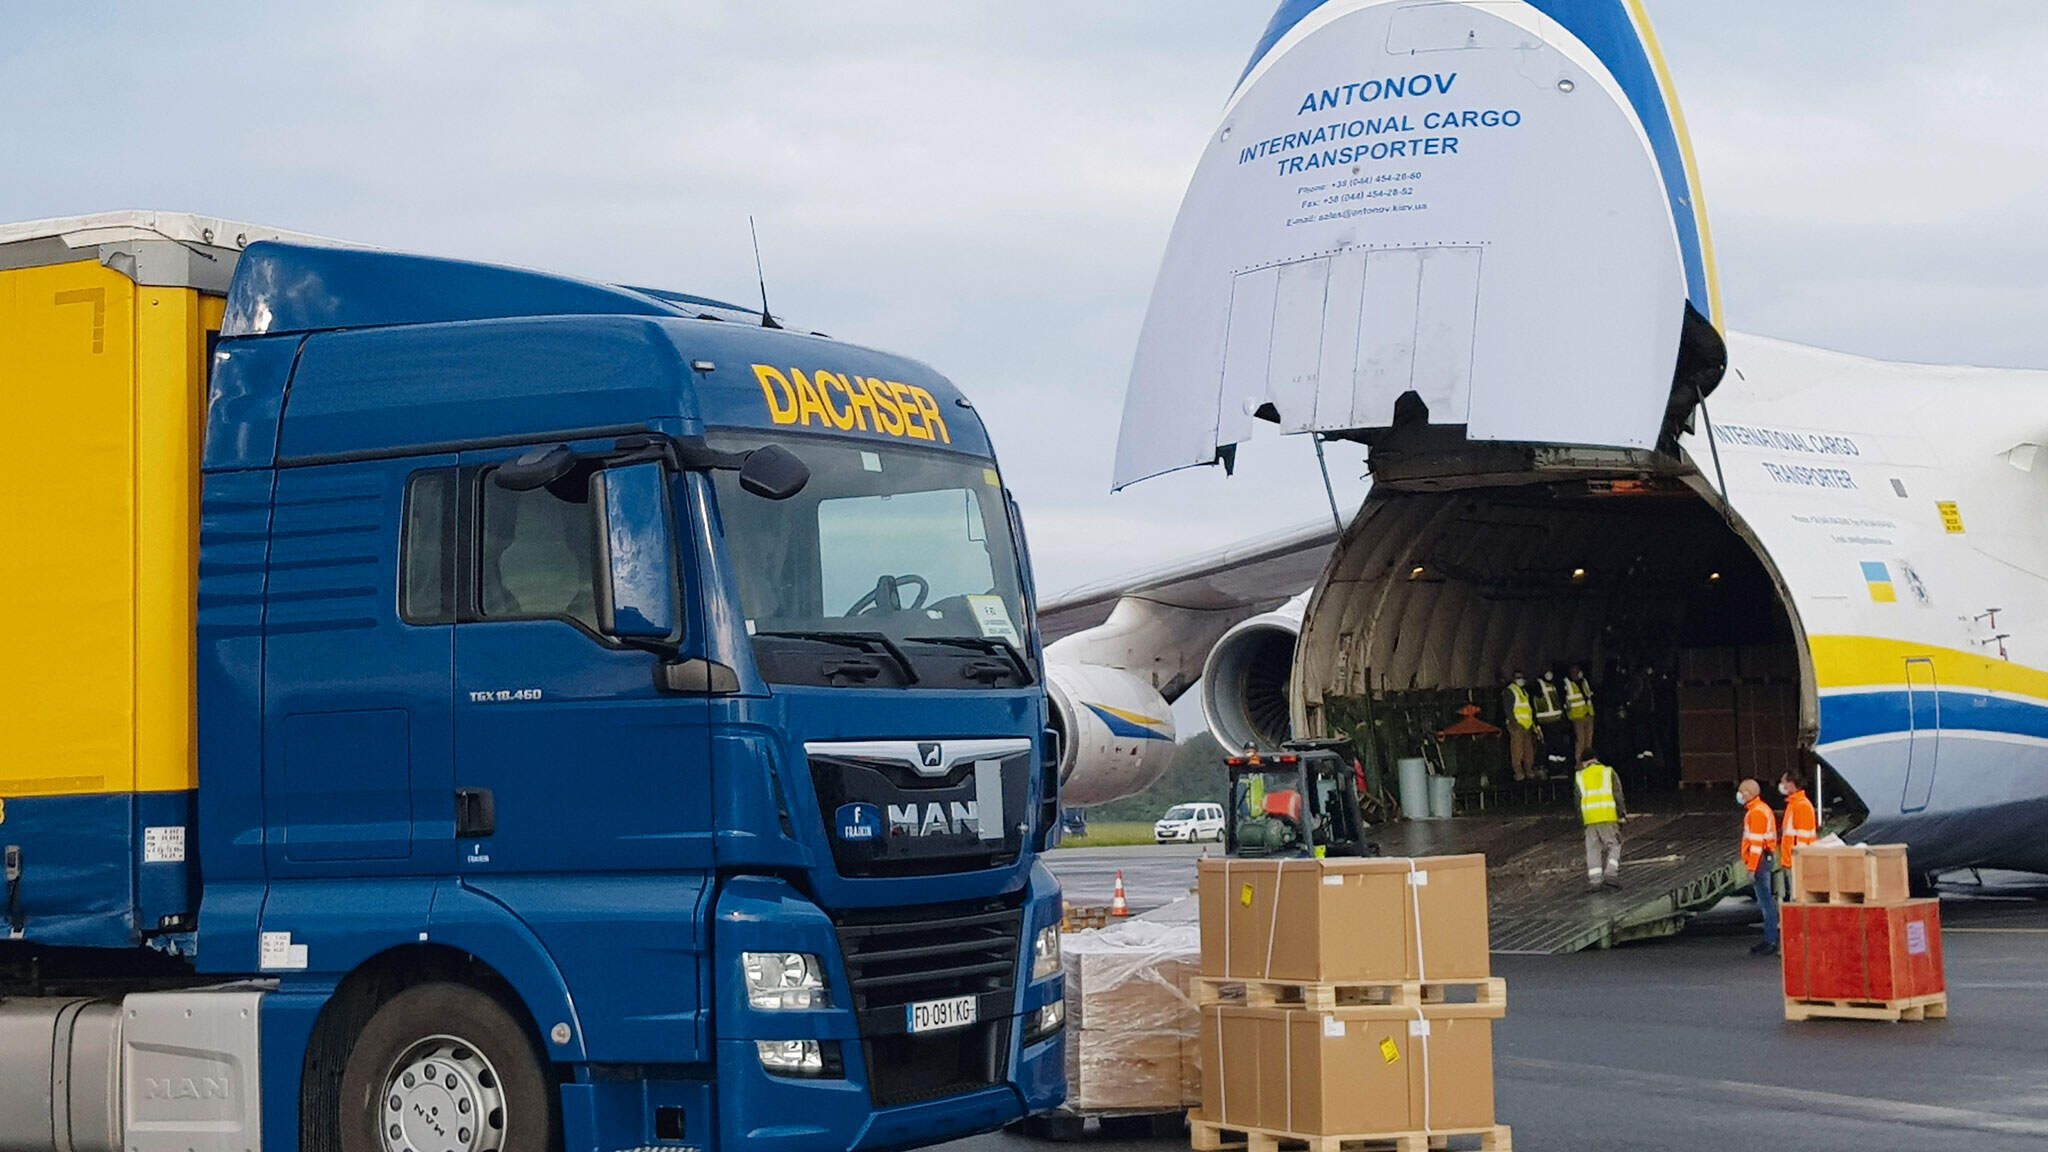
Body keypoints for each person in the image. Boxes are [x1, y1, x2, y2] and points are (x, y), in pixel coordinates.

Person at [1737, 778, 1780, 956]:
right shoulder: (1760, 809)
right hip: (1764, 858)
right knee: (1765, 901)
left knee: (1765, 902)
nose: (1739, 794)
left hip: (1760, 860)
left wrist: (1752, 868)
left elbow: (1755, 845)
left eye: (1741, 791)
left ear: (1748, 793)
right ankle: (1769, 938)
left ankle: (1771, 940)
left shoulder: (1755, 813)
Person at [1574, 752, 1625, 891]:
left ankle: (1595, 880)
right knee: (1614, 845)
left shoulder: (1580, 776)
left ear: (1584, 762)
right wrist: (1621, 815)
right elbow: (1618, 794)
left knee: (1592, 849)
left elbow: (1577, 801)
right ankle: (1611, 873)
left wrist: (1581, 821)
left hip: (1589, 819)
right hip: (1607, 816)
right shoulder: (1608, 772)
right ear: (1596, 759)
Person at [1778, 768, 1819, 894]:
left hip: (1796, 863)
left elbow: (1802, 838)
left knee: (1798, 896)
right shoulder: (1793, 804)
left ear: (1791, 783)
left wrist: (1796, 860)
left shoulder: (1801, 805)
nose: (1782, 786)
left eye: (1783, 782)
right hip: (1790, 861)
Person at [1503, 671, 1537, 781]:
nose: (1521, 679)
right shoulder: (1510, 690)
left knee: (1528, 749)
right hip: (1517, 725)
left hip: (1526, 725)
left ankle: (1528, 770)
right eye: (1518, 677)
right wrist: (1514, 723)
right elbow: (1508, 709)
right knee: (1517, 749)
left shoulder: (1524, 692)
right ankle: (1519, 772)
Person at [1533, 669, 1568, 772]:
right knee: (1551, 745)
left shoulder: (1552, 685)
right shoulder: (1538, 685)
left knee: (1558, 744)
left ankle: (1560, 766)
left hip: (1556, 719)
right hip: (1546, 721)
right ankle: (1553, 767)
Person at [1565, 664, 1596, 759]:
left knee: (1589, 741)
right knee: (1580, 741)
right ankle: (1579, 762)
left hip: (1588, 714)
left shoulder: (1584, 682)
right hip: (1577, 716)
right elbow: (1568, 702)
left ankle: (1589, 760)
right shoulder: (1568, 684)